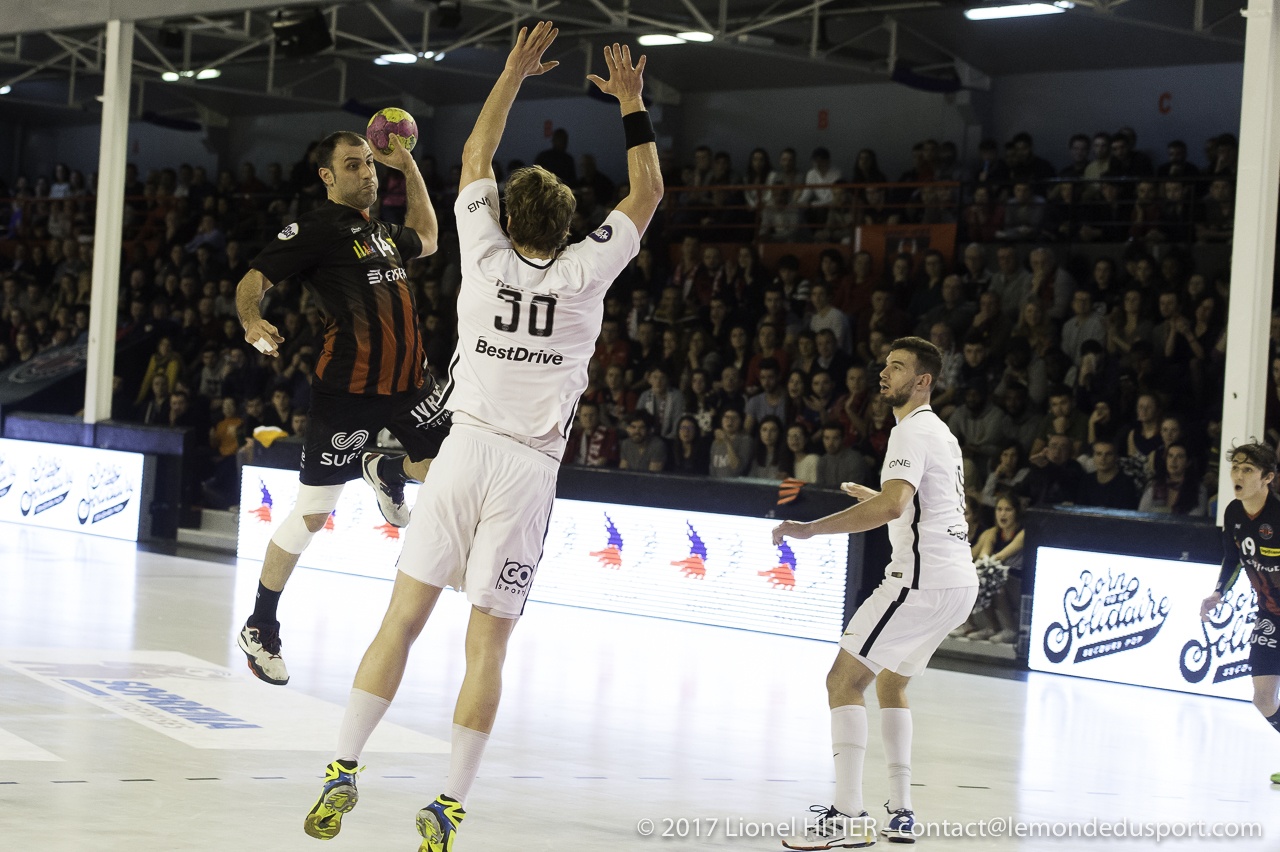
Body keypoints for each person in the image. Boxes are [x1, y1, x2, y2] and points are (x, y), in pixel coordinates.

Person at [303, 28, 663, 852]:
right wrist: (633, 104)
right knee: (487, 643)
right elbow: (647, 194)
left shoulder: (485, 255)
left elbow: (474, 154)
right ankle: (447, 805)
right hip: (526, 472)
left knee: (401, 620)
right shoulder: (584, 274)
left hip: (461, 453)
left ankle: (343, 766)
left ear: (505, 217)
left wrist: (508, 73)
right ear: (572, 229)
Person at [233, 127, 446, 687]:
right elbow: (253, 278)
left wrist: (408, 167)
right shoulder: (313, 229)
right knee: (311, 514)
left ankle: (387, 468)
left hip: (411, 387)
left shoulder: (382, 233)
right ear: (328, 176)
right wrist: (252, 319)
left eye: (369, 166)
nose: (367, 172)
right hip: (346, 396)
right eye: (353, 165)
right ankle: (260, 624)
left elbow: (429, 235)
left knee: (453, 468)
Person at [773, 336, 977, 849]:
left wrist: (811, 529)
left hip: (920, 585)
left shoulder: (910, 433)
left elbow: (892, 509)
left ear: (923, 380)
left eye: (898, 367)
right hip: (957, 584)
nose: (884, 374)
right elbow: (922, 506)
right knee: (891, 685)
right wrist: (886, 500)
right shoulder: (941, 434)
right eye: (885, 365)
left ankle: (846, 817)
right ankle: (902, 809)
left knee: (843, 681)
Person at [1202, 442, 1280, 786]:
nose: (1238, 475)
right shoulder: (1233, 512)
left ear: (1268, 478)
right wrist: (1218, 592)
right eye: (1236, 468)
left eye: (1248, 470)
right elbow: (1233, 559)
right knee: (1262, 699)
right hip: (1270, 614)